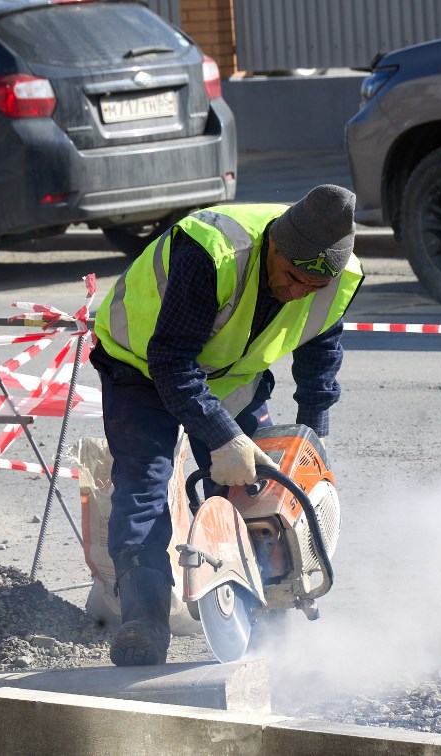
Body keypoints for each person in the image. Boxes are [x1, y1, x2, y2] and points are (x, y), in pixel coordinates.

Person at [92, 184, 364, 665]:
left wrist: (312, 438)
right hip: (141, 366)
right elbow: (171, 363)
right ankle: (145, 621)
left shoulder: (338, 279)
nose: (298, 291)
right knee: (144, 485)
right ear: (273, 245)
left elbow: (320, 354)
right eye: (291, 276)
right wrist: (223, 437)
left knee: (261, 491)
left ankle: (266, 614)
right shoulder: (213, 251)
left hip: (230, 376)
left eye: (311, 287)